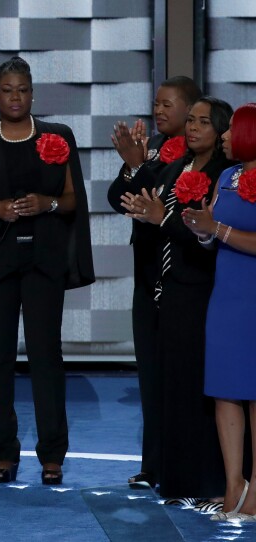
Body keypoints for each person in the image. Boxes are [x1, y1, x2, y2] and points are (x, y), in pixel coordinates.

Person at [0, 56, 94, 485]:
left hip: (44, 262)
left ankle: (52, 456)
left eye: (23, 90)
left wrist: (46, 203)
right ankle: (4, 455)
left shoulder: (57, 136)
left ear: (33, 93)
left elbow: (71, 200)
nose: (15, 97)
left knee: (47, 358)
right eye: (7, 90)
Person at [122, 96, 233, 507]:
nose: (192, 128)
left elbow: (207, 233)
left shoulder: (225, 174)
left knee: (200, 388)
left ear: (221, 131)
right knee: (171, 386)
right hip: (167, 289)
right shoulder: (174, 168)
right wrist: (135, 168)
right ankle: (176, 479)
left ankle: (209, 481)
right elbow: (131, 195)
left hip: (202, 288)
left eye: (203, 122)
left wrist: (162, 219)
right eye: (191, 121)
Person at [106, 76, 202, 488]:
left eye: (167, 105)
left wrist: (139, 165)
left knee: (180, 375)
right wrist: (133, 165)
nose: (159, 111)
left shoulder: (201, 161)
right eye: (156, 104)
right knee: (151, 375)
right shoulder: (157, 152)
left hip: (185, 280)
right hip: (148, 280)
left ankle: (183, 464)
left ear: (190, 111)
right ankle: (154, 464)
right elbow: (118, 198)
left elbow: (170, 210)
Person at [184, 102, 256, 521]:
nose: (224, 137)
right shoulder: (228, 176)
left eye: (230, 131)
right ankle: (234, 484)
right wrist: (203, 230)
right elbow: (214, 232)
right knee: (225, 390)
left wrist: (218, 231)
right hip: (226, 295)